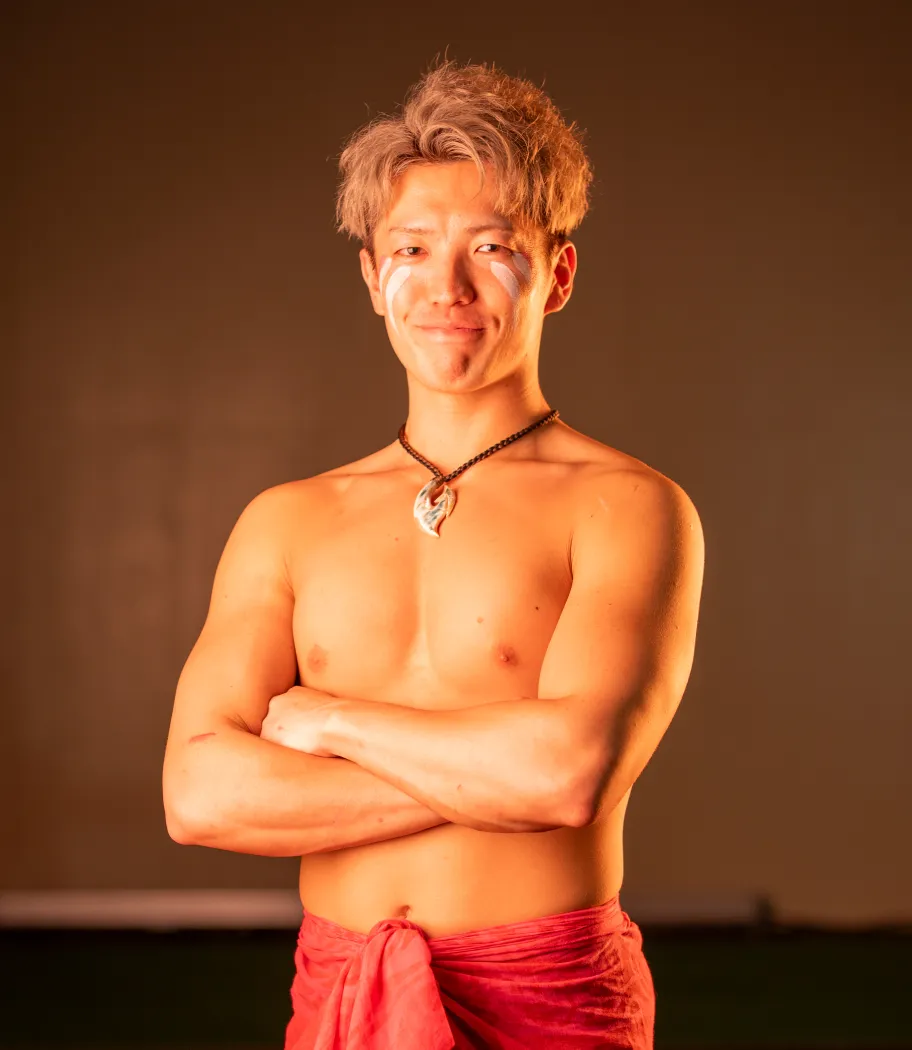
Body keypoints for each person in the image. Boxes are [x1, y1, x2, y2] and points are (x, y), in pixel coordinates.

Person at [162, 57, 704, 1049]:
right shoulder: (285, 520)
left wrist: (325, 718)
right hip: (342, 995)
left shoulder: (629, 507)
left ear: (557, 274)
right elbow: (200, 795)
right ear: (374, 278)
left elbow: (568, 777)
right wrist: (490, 776)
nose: (446, 286)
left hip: (549, 999)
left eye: (490, 246)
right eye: (411, 248)